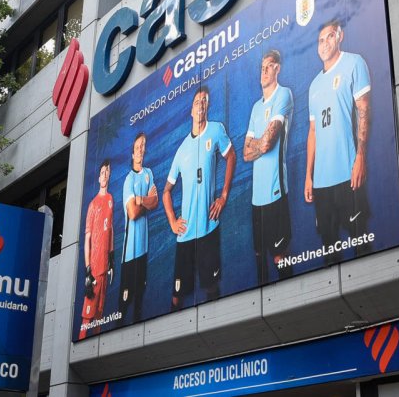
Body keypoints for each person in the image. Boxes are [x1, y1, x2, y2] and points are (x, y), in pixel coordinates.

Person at [305, 18, 373, 266]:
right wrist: (308, 176)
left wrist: (360, 157)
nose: (324, 44)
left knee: (361, 244)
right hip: (322, 183)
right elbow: (313, 131)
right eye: (320, 40)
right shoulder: (314, 85)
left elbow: (364, 110)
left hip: (348, 174)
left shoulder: (354, 63)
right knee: (329, 253)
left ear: (340, 36)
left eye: (329, 37)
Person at [162, 85, 235, 309]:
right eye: (197, 102)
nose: (201, 104)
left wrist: (223, 196)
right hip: (185, 234)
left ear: (208, 106)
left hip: (208, 228)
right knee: (177, 297)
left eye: (204, 101)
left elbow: (231, 156)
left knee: (211, 288)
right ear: (191, 111)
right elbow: (166, 192)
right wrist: (173, 221)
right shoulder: (182, 149)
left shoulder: (216, 130)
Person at [243, 49, 294, 283]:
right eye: (261, 67)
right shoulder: (256, 108)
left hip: (276, 192)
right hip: (257, 199)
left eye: (268, 66)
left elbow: (266, 144)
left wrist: (259, 143)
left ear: (277, 68)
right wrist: (260, 143)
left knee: (279, 257)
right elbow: (245, 153)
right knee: (259, 258)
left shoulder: (283, 95)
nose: (263, 71)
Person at [120, 133, 157, 324]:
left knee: (139, 302)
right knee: (123, 307)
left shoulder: (149, 173)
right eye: (137, 147)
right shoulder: (129, 180)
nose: (141, 149)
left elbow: (155, 202)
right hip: (129, 255)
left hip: (143, 250)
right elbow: (133, 213)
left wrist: (140, 199)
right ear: (132, 154)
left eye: (143, 145)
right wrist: (146, 202)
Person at [80, 161, 114, 339]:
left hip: (105, 268)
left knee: (100, 315)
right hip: (94, 270)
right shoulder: (93, 205)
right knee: (87, 317)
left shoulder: (110, 199)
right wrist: (88, 270)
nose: (105, 174)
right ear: (99, 177)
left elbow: (111, 229)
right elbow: (87, 239)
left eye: (107, 171)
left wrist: (112, 259)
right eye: (102, 172)